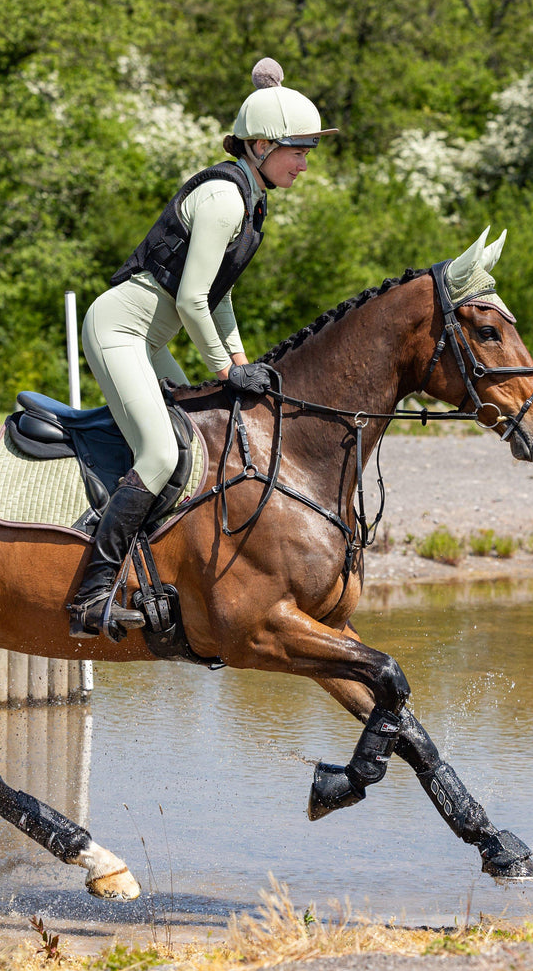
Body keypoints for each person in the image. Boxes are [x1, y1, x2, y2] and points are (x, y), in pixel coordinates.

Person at [67, 57, 336, 640]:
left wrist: (237, 365)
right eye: (297, 149)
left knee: (203, 434)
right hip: (120, 330)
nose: (304, 162)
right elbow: (191, 300)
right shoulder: (224, 198)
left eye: (309, 151)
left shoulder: (251, 200)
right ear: (261, 145)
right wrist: (222, 367)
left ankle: (162, 573)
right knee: (162, 455)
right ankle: (89, 594)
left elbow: (219, 298)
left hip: (150, 338)